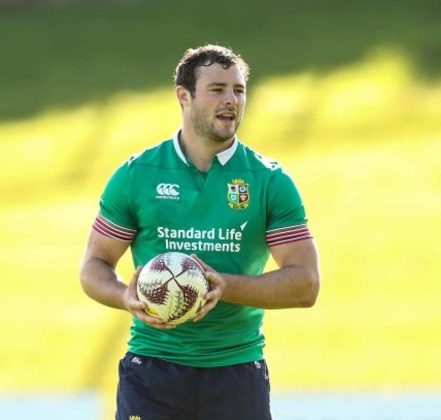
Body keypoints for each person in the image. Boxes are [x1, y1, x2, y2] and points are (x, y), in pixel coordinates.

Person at [79, 44, 320, 420]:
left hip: (236, 372)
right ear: (184, 96)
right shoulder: (136, 175)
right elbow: (94, 265)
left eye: (239, 90)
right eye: (218, 89)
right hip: (152, 370)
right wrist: (123, 296)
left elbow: (305, 284)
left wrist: (224, 285)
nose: (231, 101)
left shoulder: (269, 180)